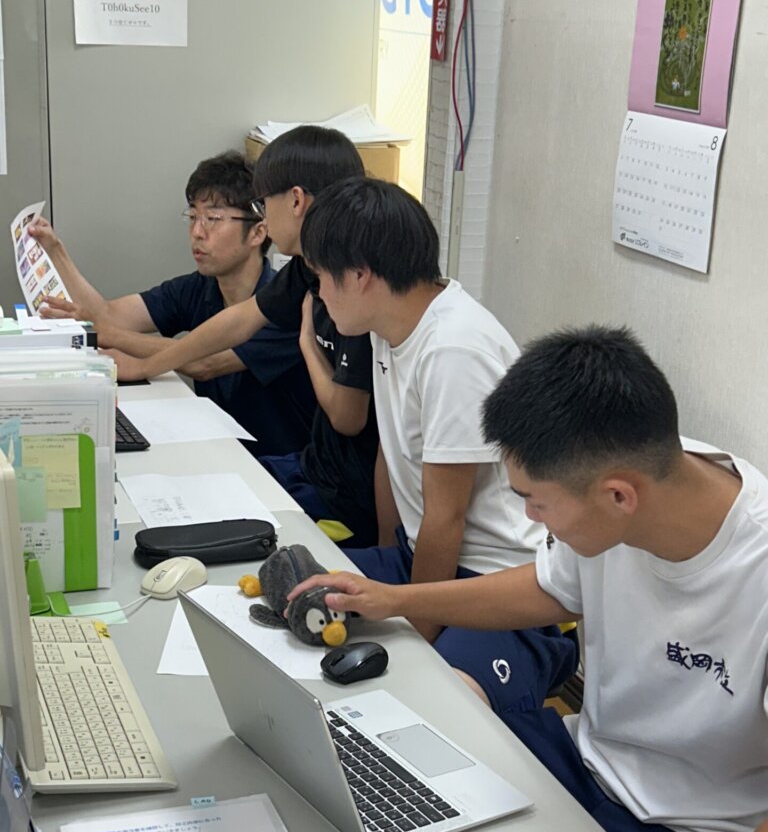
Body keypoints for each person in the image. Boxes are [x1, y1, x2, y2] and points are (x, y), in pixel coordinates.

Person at [287, 325, 768, 832]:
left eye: (535, 503)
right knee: (387, 786)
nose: (527, 519)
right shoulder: (635, 475)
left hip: (694, 831)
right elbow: (547, 589)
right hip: (584, 757)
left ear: (620, 495)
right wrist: (396, 600)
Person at [299, 175, 577, 694]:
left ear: (360, 275)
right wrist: (385, 563)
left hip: (494, 578)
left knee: (434, 697)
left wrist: (414, 630)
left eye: (321, 279)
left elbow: (446, 516)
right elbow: (393, 455)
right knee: (294, 591)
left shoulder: (452, 348)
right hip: (423, 558)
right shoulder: (389, 324)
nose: (318, 294)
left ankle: (535, 665)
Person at [88, 128, 379, 545]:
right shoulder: (305, 270)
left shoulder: (350, 284)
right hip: (309, 468)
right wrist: (152, 364)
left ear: (295, 201)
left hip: (341, 495)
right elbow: (238, 322)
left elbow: (348, 419)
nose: (198, 231)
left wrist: (307, 346)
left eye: (264, 204)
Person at [28, 151, 315, 457]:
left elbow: (206, 362)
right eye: (192, 216)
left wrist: (124, 348)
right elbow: (109, 316)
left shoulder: (284, 305)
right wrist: (56, 252)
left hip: (279, 465)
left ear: (258, 231)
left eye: (213, 219)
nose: (196, 232)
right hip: (218, 449)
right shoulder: (198, 287)